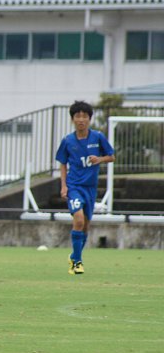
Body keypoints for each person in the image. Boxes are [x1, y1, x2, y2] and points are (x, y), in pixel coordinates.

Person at [56, 100, 115, 275]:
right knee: (79, 220)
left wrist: (100, 159)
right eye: (77, 116)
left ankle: (74, 256)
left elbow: (111, 156)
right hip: (74, 186)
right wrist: (64, 186)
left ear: (89, 119)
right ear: (72, 119)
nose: (81, 119)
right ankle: (78, 262)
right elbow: (62, 164)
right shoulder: (68, 141)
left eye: (84, 116)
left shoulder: (98, 137)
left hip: (90, 188)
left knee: (86, 225)